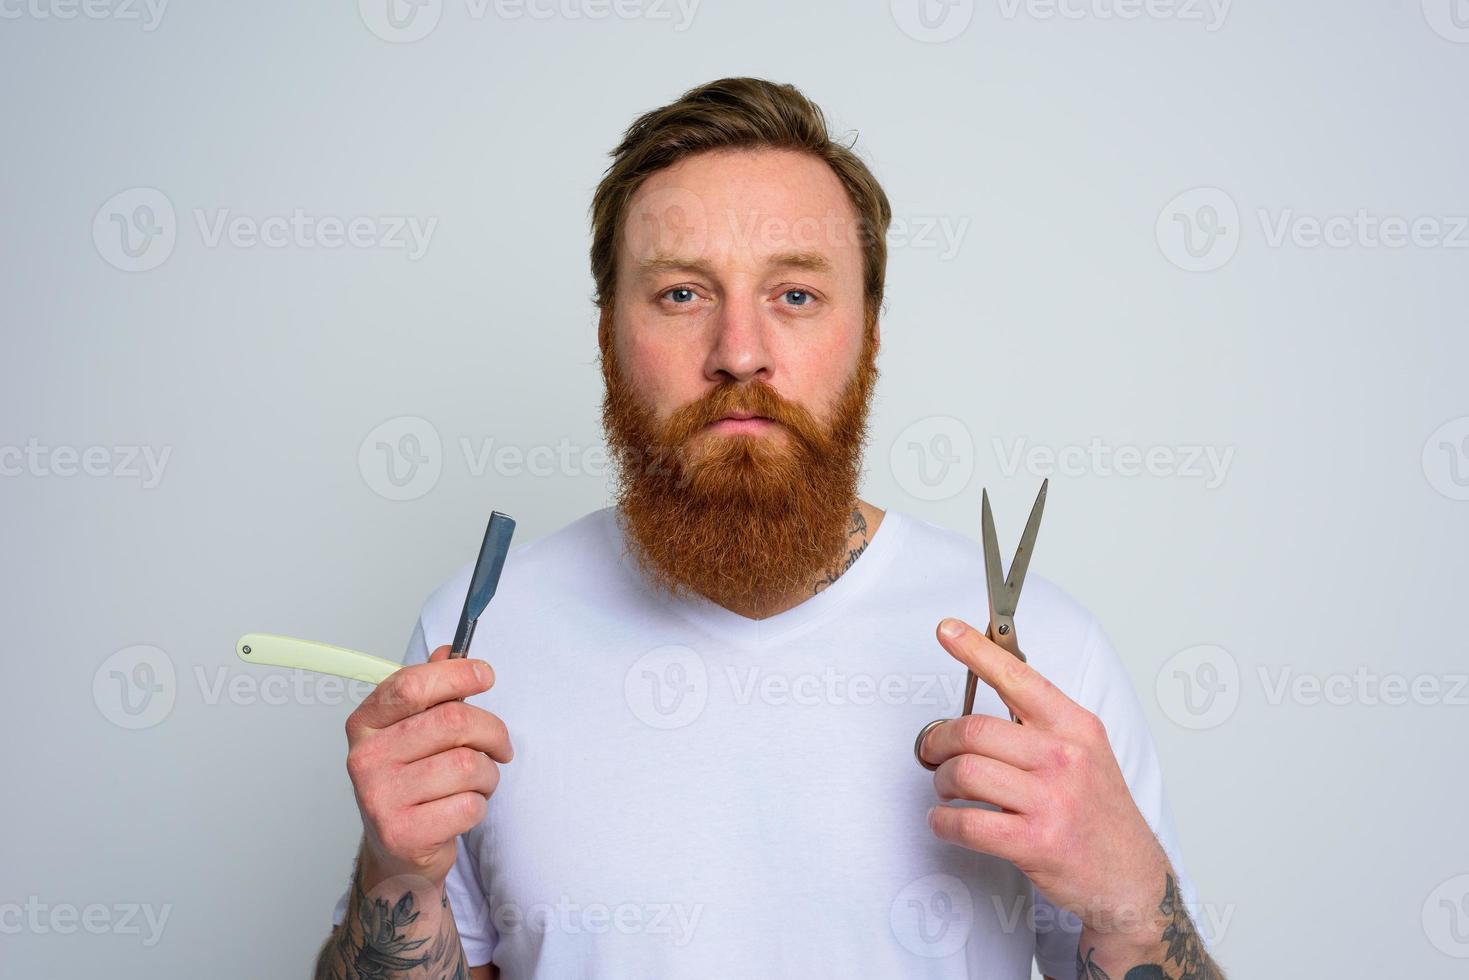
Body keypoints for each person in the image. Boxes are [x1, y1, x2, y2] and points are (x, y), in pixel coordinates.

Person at [314, 77, 1226, 980]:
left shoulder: (1045, 658)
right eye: (680, 295)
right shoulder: (477, 639)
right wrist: (398, 878)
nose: (739, 352)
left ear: (868, 334)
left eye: (794, 294)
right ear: (605, 337)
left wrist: (1131, 900)